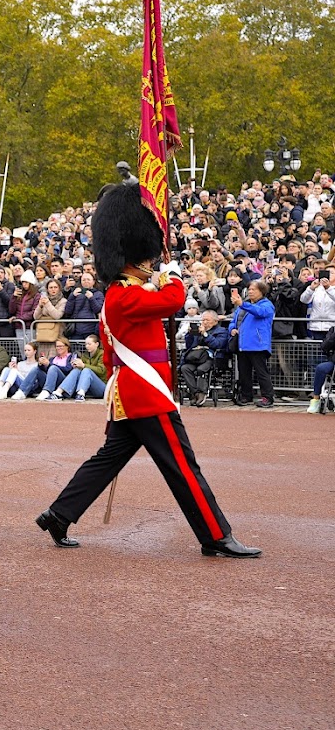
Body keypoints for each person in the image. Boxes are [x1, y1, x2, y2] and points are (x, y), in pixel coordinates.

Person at [35, 181, 261, 559]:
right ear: (136, 256)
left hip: (133, 394)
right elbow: (173, 300)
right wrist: (171, 273)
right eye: (148, 257)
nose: (151, 262)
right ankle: (215, 534)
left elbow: (114, 357)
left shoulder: (123, 293)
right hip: (146, 395)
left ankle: (59, 515)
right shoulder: (125, 294)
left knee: (108, 459)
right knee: (183, 466)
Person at [230, 280, 275, 408]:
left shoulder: (267, 305)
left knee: (261, 372)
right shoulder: (244, 305)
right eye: (249, 289)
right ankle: (246, 396)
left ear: (262, 291)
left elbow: (260, 312)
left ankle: (268, 397)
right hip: (243, 344)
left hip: (258, 344)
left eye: (253, 289)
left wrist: (242, 304)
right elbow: (234, 320)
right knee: (244, 372)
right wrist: (232, 329)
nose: (250, 291)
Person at [179, 310, 229, 407]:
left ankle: (202, 392)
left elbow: (218, 344)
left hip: (211, 358)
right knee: (185, 368)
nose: (205, 322)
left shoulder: (222, 331)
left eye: (207, 320)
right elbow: (189, 345)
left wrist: (205, 335)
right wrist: (190, 334)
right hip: (195, 357)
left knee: (201, 369)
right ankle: (195, 393)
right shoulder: (198, 330)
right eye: (203, 320)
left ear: (215, 321)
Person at [54, 334, 106, 400]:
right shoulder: (85, 355)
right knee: (77, 370)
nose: (87, 346)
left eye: (89, 344)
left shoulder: (102, 354)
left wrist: (83, 365)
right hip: (88, 387)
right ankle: (59, 392)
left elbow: (102, 371)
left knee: (86, 370)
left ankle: (80, 394)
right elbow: (81, 369)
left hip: (101, 387)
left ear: (97, 344)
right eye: (86, 344)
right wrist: (76, 365)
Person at [307, 328, 335, 414]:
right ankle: (316, 399)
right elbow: (324, 346)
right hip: (333, 363)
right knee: (321, 368)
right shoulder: (333, 330)